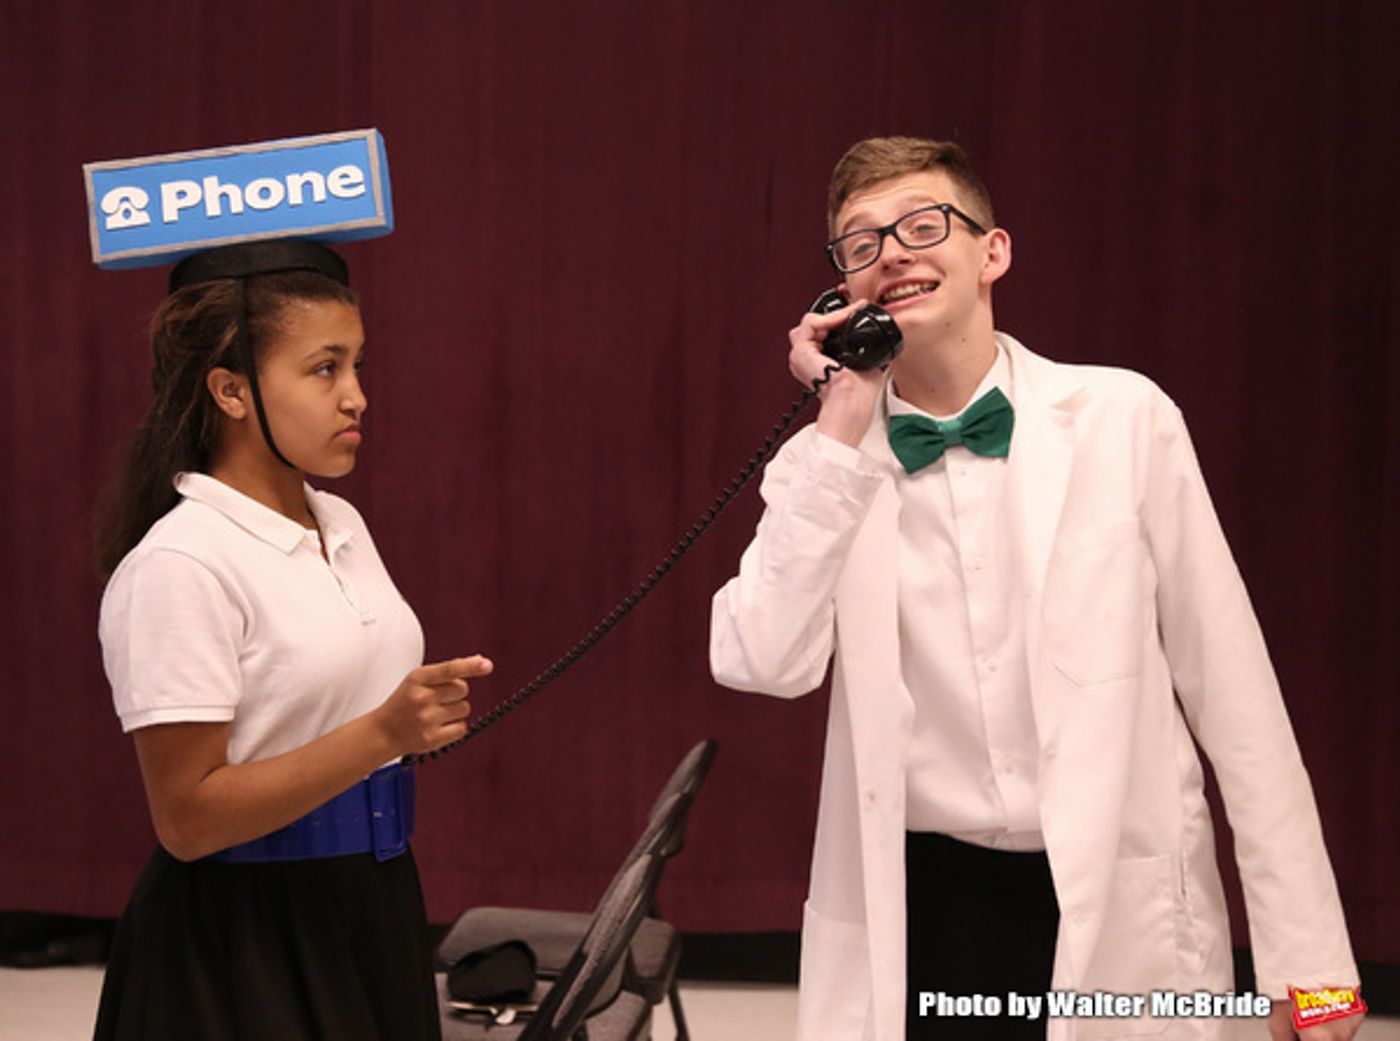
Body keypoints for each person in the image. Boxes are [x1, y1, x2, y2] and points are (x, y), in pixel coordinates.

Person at [709, 137, 1361, 1041]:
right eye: (860, 243)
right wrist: (840, 426)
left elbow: (1240, 701)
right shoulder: (824, 466)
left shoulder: (1123, 418)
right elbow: (759, 660)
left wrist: (1317, 975)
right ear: (841, 294)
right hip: (919, 905)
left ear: (992, 252)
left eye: (922, 225)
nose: (891, 251)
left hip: (1114, 899)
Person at [92, 240, 491, 1040]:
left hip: (372, 900)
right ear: (232, 391)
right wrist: (384, 730)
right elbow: (189, 819)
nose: (357, 397)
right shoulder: (181, 563)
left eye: (358, 365)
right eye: (325, 368)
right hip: (244, 941)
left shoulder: (338, 519)